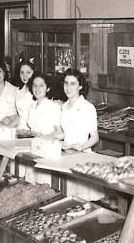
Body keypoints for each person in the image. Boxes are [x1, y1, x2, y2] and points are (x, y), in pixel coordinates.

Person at [57, 68, 103, 201]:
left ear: (80, 86)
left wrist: (81, 147)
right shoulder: (64, 107)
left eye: (73, 83)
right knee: (68, 197)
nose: (68, 87)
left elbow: (95, 138)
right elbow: (64, 133)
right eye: (66, 83)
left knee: (83, 199)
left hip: (82, 157)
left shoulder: (87, 108)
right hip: (66, 155)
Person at [24, 72, 62, 185]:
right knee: (32, 183)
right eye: (34, 85)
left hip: (48, 150)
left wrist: (44, 137)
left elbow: (60, 132)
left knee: (45, 183)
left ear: (48, 88)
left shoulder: (53, 106)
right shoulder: (32, 106)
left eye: (41, 85)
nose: (37, 88)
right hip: (35, 147)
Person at [13, 60, 35, 130]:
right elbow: (19, 115)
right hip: (20, 129)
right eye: (22, 72)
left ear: (33, 73)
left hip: (33, 129)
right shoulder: (19, 90)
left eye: (28, 72)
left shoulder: (37, 91)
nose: (24, 76)